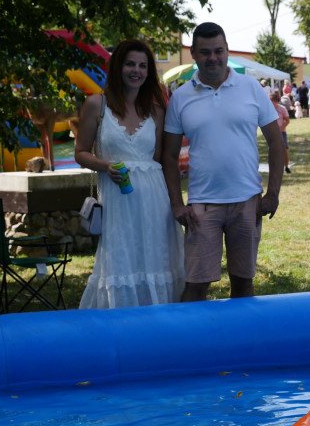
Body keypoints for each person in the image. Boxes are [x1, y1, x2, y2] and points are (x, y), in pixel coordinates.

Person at [162, 22, 283, 300]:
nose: (212, 58)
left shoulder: (251, 88)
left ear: (227, 50)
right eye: (205, 52)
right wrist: (177, 204)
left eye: (218, 50)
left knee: (243, 285)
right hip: (202, 206)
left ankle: (242, 344)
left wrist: (273, 194)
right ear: (193, 53)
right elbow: (168, 156)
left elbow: (276, 142)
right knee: (195, 286)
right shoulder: (180, 97)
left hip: (247, 202)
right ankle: (191, 344)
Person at [74, 38, 184, 309]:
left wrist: (176, 201)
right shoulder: (96, 104)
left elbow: (159, 159)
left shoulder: (158, 110)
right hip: (117, 198)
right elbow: (80, 152)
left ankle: (161, 327)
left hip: (154, 200)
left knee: (156, 259)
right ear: (118, 67)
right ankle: (120, 325)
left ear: (149, 72)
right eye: (130, 64)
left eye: (143, 66)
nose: (136, 70)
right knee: (121, 259)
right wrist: (105, 166)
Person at [270, 89, 292, 174]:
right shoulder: (268, 109)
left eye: (270, 101)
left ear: (275, 101)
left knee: (284, 149)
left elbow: (287, 121)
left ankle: (286, 167)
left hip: (282, 132)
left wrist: (280, 129)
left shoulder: (282, 109)